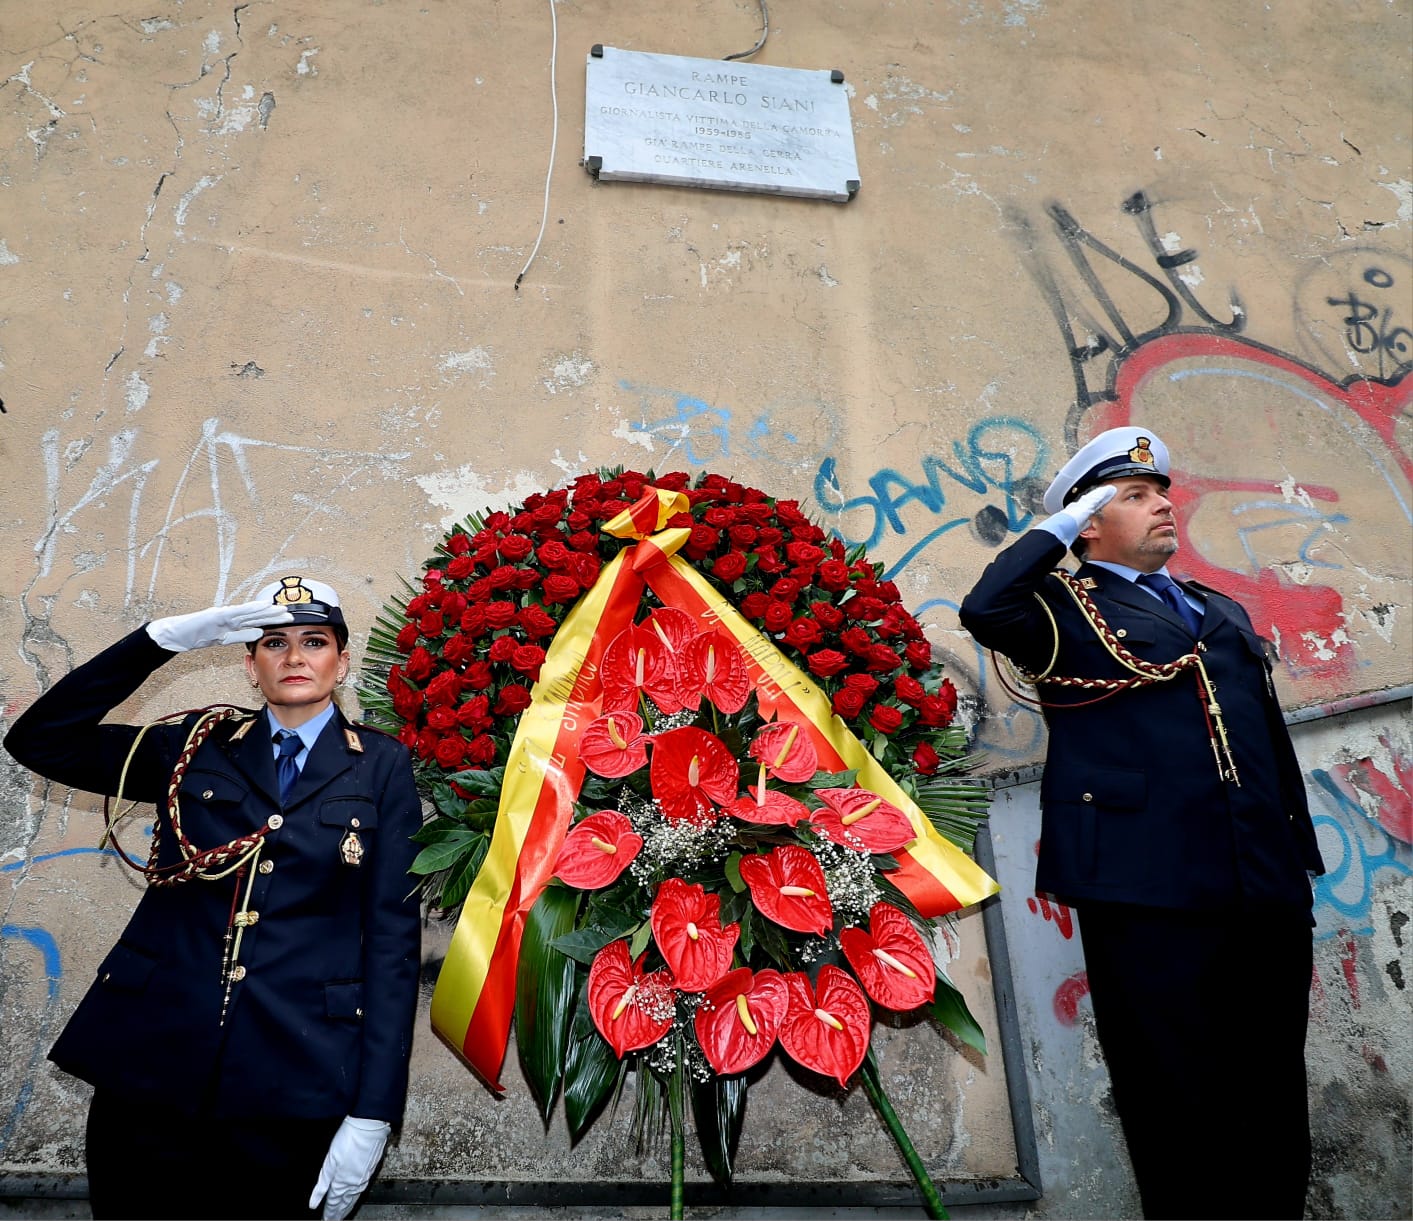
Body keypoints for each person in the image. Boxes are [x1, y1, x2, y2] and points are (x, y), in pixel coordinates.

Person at [959, 427, 1325, 1220]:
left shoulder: (1213, 606)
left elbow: (1261, 742)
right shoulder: (1060, 609)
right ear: (1088, 520)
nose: (1163, 505)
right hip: (1146, 890)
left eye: (1160, 491)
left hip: (1260, 883)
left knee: (1271, 1083)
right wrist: (1055, 532)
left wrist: (1296, 860)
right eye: (1133, 495)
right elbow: (985, 607)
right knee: (1173, 1090)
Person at [3, 576, 423, 1221]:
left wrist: (372, 1113)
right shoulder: (192, 746)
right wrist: (158, 641)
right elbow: (39, 740)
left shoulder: (382, 766)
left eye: (314, 641)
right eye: (272, 644)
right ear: (249, 666)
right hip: (152, 1059)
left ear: (341, 661)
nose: (294, 658)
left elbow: (392, 945)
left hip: (295, 1070)